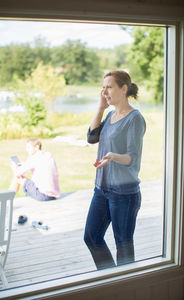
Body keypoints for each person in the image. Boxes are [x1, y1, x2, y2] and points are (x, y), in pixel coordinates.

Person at [84, 70, 146, 270]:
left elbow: (131, 158)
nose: (104, 91)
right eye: (103, 87)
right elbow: (92, 138)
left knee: (124, 246)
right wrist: (101, 108)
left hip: (124, 194)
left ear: (124, 88)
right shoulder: (110, 115)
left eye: (109, 87)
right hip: (101, 190)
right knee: (92, 237)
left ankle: (126, 287)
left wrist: (112, 156)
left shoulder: (134, 118)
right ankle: (111, 278)